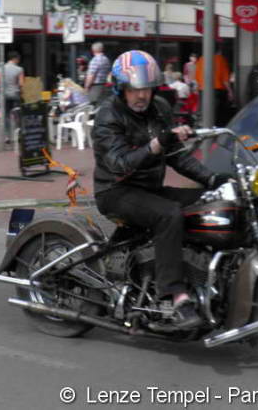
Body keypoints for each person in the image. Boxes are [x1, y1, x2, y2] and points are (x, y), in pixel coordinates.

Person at [92, 50, 228, 329]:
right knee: (169, 214)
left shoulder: (160, 108)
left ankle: (202, 273)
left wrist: (212, 179)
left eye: (147, 89)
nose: (142, 95)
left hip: (149, 190)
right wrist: (156, 144)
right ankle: (175, 296)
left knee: (211, 202)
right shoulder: (108, 115)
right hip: (116, 191)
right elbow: (120, 164)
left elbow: (176, 155)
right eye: (134, 89)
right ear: (120, 88)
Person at [195, 46, 234, 126]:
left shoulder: (201, 59)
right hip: (217, 91)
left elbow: (197, 78)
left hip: (202, 90)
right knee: (218, 115)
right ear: (218, 51)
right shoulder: (221, 59)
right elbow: (225, 79)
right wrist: (230, 91)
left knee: (204, 113)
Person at [0, 51, 25, 139]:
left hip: (4, 95)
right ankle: (18, 134)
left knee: (6, 116)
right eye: (18, 59)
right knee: (17, 114)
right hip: (15, 94)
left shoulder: (1, 68)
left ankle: (7, 136)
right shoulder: (19, 69)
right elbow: (21, 83)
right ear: (15, 59)